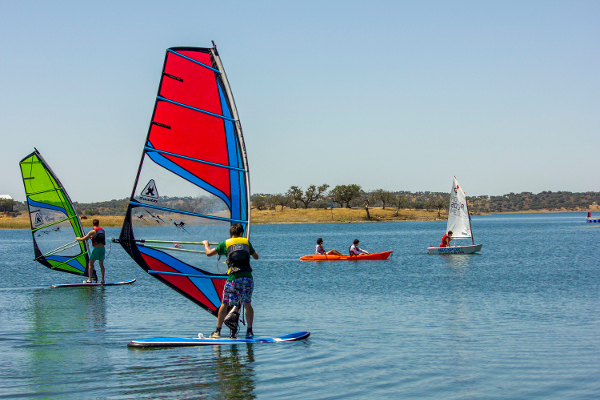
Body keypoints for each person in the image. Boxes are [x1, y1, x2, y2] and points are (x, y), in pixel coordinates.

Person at [203, 223, 259, 339]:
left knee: (225, 303)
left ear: (231, 233)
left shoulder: (226, 243)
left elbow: (208, 253)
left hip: (234, 278)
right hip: (248, 278)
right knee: (247, 304)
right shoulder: (246, 242)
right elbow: (256, 256)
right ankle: (249, 331)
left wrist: (206, 244)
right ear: (240, 233)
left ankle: (217, 332)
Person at [76, 218, 106, 283]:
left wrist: (78, 238)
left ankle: (89, 279)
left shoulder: (92, 231)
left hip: (96, 249)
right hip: (102, 249)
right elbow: (98, 238)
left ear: (92, 224)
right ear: (98, 224)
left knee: (90, 264)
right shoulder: (102, 230)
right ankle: (103, 280)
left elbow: (84, 238)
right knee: (101, 265)